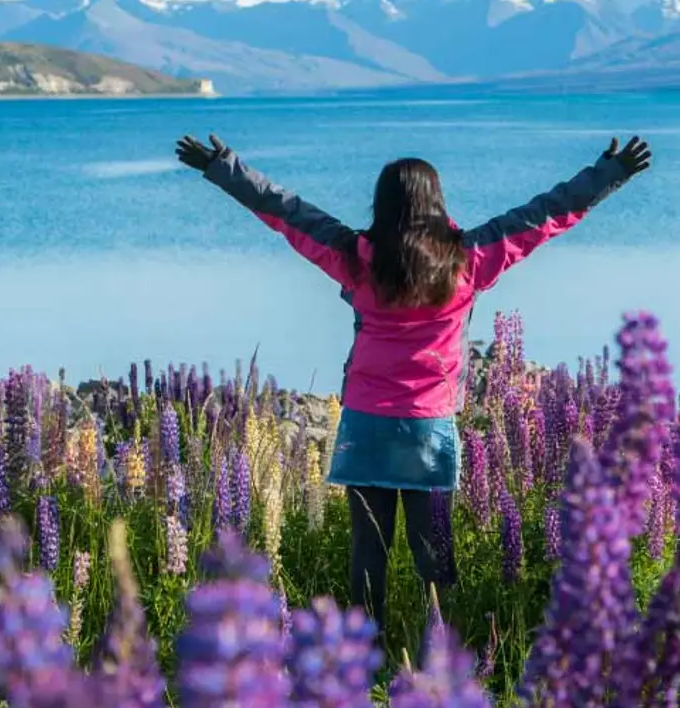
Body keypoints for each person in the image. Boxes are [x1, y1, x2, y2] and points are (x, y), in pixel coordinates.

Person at [174, 131, 652, 636]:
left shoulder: (355, 255)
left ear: (381, 203)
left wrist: (223, 166)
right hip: (428, 427)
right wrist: (610, 173)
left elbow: (286, 213)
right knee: (434, 557)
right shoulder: (469, 258)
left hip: (365, 424)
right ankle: (440, 654)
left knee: (367, 552)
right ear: (436, 201)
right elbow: (544, 215)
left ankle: (364, 658)